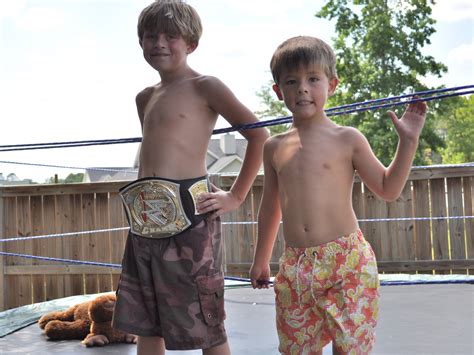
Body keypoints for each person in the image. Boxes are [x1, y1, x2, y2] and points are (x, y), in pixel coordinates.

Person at [249, 36, 427, 355]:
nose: (303, 88)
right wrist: (261, 260)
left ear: (331, 85)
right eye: (292, 81)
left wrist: (409, 142)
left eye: (313, 79)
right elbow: (269, 209)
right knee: (298, 349)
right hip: (295, 266)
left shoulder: (348, 139)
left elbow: (388, 188)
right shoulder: (273, 146)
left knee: (350, 349)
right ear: (278, 90)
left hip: (347, 262)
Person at [111, 1, 269, 354]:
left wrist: (236, 196)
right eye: (150, 36)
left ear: (191, 43)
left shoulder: (206, 86)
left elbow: (259, 135)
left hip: (191, 218)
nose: (159, 43)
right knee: (146, 320)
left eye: (170, 36)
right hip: (144, 220)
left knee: (206, 320)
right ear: (140, 42)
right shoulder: (144, 97)